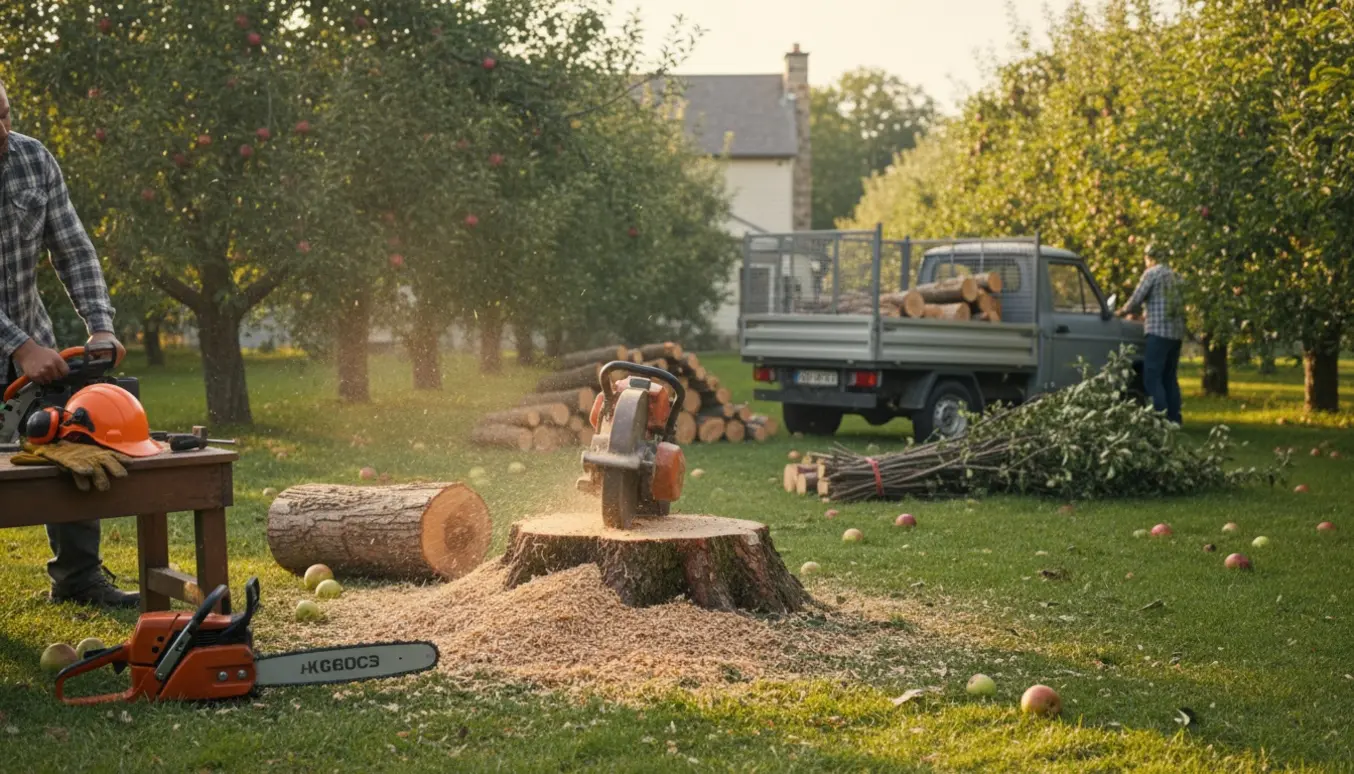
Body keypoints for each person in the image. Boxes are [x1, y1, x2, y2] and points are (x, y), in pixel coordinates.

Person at [0, 78, 138, 608]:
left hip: (36, 358)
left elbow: (73, 249)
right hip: (24, 349)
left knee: (69, 444)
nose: (1, 130)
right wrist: (19, 345)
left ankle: (78, 579)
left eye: (6, 114)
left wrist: (100, 325)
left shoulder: (33, 159)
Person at [1117, 244, 1185, 425]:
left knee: (1152, 376)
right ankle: (1174, 418)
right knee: (1169, 377)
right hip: (1176, 334)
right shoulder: (1177, 276)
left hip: (1158, 333)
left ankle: (1159, 418)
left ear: (1150, 258)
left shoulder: (1152, 274)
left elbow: (1136, 299)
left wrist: (1120, 312)